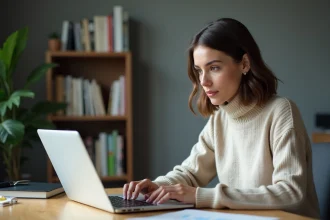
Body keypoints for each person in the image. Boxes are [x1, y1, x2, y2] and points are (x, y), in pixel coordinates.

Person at [123, 18, 320, 218]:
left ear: (244, 63)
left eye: (214, 68)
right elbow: (191, 173)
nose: (204, 81)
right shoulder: (221, 118)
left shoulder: (281, 112)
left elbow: (290, 193)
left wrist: (202, 196)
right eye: (199, 70)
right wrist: (157, 186)